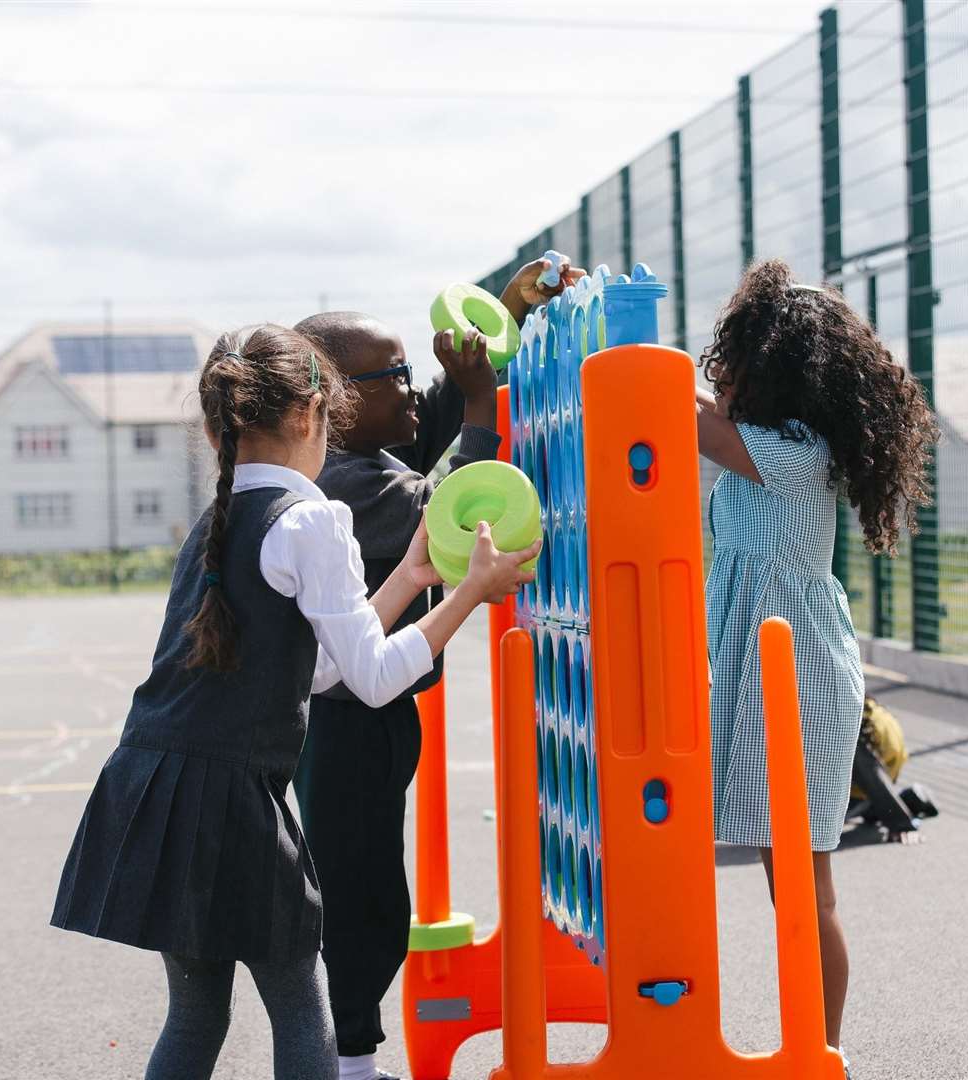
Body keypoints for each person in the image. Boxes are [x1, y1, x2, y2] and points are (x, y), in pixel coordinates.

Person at [49, 325, 541, 1080]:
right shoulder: (312, 519)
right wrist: (470, 591)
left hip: (154, 790)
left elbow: (312, 673)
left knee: (197, 1013)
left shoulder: (216, 524)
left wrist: (410, 579)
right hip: (229, 803)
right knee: (301, 1009)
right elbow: (373, 680)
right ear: (314, 417)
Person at [292, 255, 581, 1080]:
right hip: (347, 722)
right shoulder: (351, 483)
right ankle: (352, 1061)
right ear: (337, 404)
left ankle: (349, 1050)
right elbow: (452, 501)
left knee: (368, 887)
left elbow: (422, 432)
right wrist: (486, 402)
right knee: (364, 898)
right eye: (398, 376)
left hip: (369, 714)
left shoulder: (352, 455)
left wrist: (506, 317)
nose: (416, 388)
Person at [696, 258, 938, 1067]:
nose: (719, 370)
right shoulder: (757, 446)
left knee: (803, 886)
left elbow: (689, 417)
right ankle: (802, 1048)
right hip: (751, 662)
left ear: (779, 374)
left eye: (734, 357)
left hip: (793, 674)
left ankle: (819, 1052)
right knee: (780, 877)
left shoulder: (800, 455)